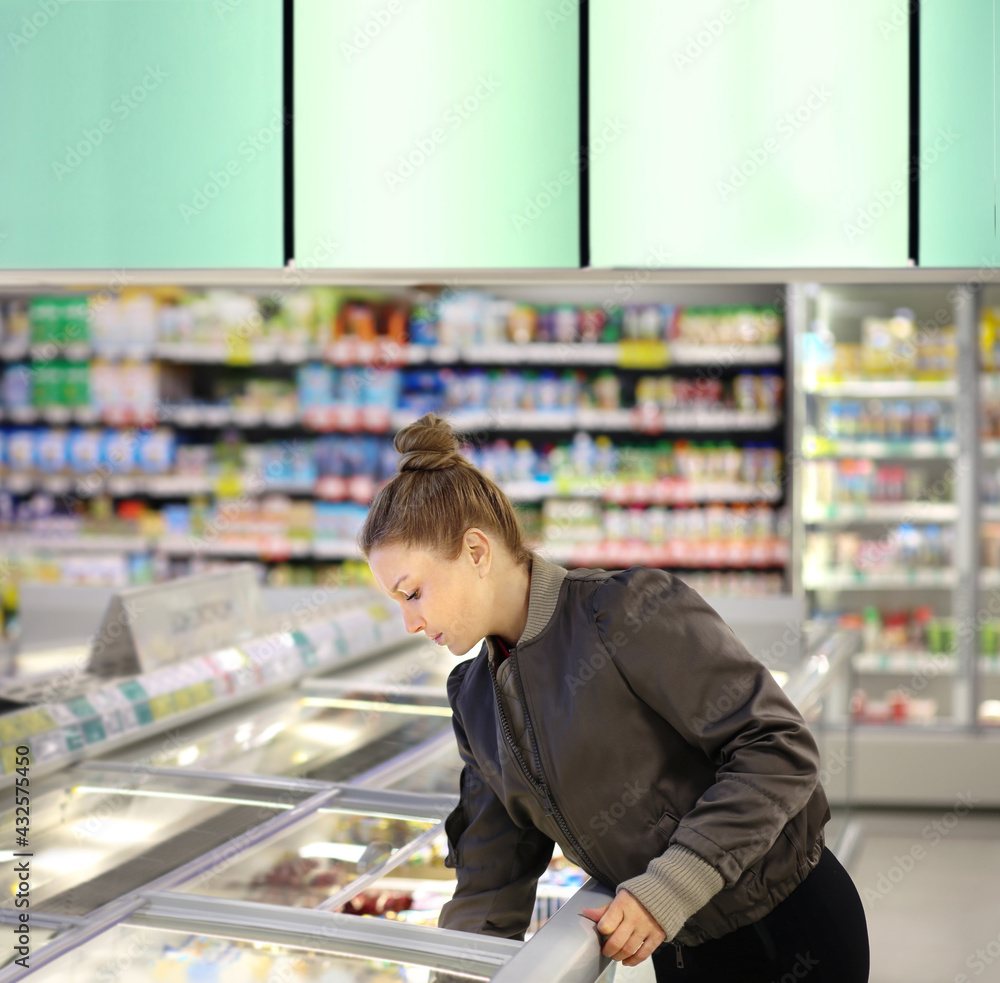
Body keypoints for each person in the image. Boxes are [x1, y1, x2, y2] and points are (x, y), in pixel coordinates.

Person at [359, 413, 870, 983]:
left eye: (413, 593)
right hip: (683, 948)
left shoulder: (624, 612)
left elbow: (778, 749)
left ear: (476, 551)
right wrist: (456, 974)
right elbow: (492, 873)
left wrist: (668, 887)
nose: (409, 621)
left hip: (788, 925)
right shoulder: (476, 697)